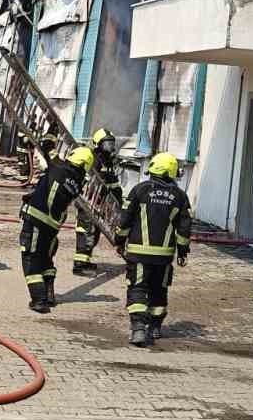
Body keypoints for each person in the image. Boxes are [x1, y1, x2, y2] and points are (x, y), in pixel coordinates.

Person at [114, 152, 193, 347]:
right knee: (159, 290)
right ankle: (155, 327)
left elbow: (125, 219)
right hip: (164, 257)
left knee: (138, 288)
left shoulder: (139, 190)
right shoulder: (180, 196)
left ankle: (139, 329)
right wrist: (182, 251)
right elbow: (184, 229)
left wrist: (119, 239)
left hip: (138, 253)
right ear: (171, 171)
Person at [20, 145, 94, 314]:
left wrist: (52, 132)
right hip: (53, 226)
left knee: (31, 258)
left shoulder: (58, 166)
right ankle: (48, 294)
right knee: (46, 258)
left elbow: (47, 144)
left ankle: (39, 300)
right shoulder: (78, 182)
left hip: (36, 220)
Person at [72, 127, 124, 275]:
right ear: (97, 144)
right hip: (88, 201)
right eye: (106, 144)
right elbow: (90, 181)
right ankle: (79, 265)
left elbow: (112, 183)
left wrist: (118, 199)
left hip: (100, 203)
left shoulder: (108, 162)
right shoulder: (94, 159)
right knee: (86, 231)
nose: (110, 147)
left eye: (111, 144)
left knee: (94, 233)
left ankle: (85, 261)